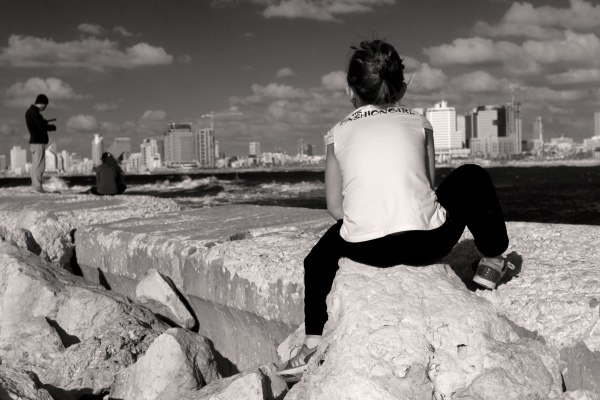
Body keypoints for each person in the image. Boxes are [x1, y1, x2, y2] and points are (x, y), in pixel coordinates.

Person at [277, 40, 511, 379]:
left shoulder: (337, 133)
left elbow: (335, 207)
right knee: (471, 175)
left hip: (367, 249)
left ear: (349, 89)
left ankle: (312, 343)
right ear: (401, 87)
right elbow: (427, 186)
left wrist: (368, 216)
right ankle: (492, 260)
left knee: (316, 261)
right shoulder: (419, 122)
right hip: (428, 243)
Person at [25, 94, 56, 193]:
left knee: (35, 165)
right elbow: (40, 127)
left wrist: (43, 122)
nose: (45, 108)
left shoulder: (30, 112)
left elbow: (37, 125)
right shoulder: (34, 112)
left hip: (34, 142)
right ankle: (37, 187)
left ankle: (35, 186)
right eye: (45, 106)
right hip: (38, 142)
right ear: (42, 103)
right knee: (40, 166)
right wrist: (51, 127)